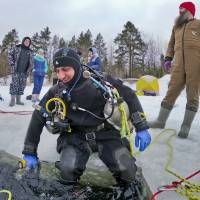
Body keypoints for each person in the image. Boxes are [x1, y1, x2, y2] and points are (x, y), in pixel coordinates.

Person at [21, 48, 151, 198]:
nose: (61, 75)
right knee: (67, 171)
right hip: (74, 137)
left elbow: (129, 95)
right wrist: (29, 151)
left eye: (65, 69)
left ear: (76, 66)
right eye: (57, 70)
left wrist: (141, 126)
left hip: (106, 135)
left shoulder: (100, 81)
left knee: (128, 172)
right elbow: (39, 115)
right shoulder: (57, 91)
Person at [149, 2, 200, 138]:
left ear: (189, 10)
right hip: (178, 65)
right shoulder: (176, 27)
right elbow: (171, 44)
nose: (179, 11)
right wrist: (168, 59)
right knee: (171, 90)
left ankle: (186, 126)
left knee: (192, 93)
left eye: (182, 9)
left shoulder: (198, 24)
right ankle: (160, 121)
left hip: (195, 64)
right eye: (179, 9)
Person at [8, 37, 33, 106]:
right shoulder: (17, 48)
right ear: (23, 41)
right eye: (26, 40)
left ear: (29, 43)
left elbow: (31, 62)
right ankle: (12, 100)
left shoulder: (30, 51)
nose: (27, 42)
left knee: (21, 86)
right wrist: (12, 64)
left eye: (28, 41)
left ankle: (18, 100)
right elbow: (10, 54)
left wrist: (30, 69)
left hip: (24, 72)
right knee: (14, 85)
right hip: (16, 70)